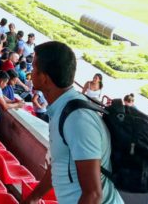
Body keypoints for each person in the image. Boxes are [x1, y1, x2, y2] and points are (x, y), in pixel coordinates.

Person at [22, 41, 123, 204]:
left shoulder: (77, 120)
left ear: (45, 78)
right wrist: (34, 197)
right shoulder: (62, 108)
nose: (31, 72)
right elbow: (59, 162)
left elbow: (93, 195)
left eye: (34, 68)